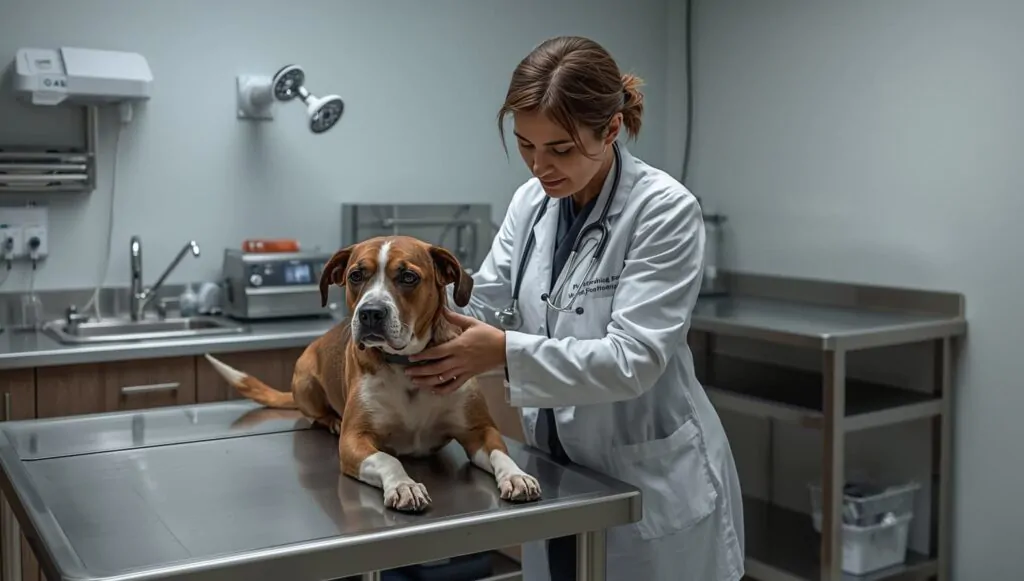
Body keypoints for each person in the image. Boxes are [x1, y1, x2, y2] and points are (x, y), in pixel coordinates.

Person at [404, 35, 745, 581]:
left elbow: (633, 360)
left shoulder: (664, 210)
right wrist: (407, 310)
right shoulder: (531, 202)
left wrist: (502, 354)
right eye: (525, 146)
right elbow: (487, 297)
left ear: (611, 129)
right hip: (559, 476)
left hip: (646, 481)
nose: (540, 167)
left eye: (559, 149)